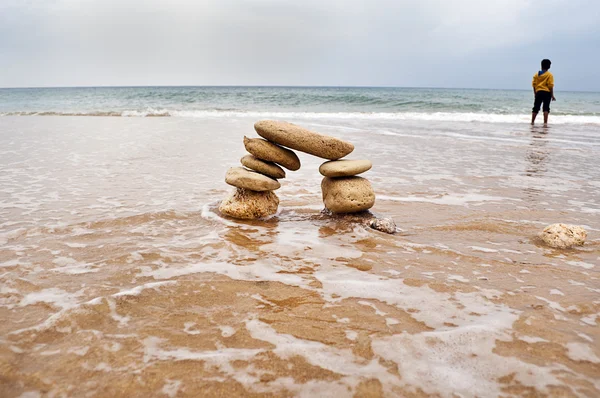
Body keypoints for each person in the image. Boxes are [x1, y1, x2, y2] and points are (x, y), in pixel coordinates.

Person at [531, 59, 556, 125]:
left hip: (539, 92)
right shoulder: (549, 75)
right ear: (549, 66)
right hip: (547, 93)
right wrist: (552, 95)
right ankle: (545, 123)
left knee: (536, 108)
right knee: (546, 108)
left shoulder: (536, 75)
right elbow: (550, 86)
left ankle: (532, 122)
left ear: (541, 65)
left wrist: (535, 93)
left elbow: (534, 84)